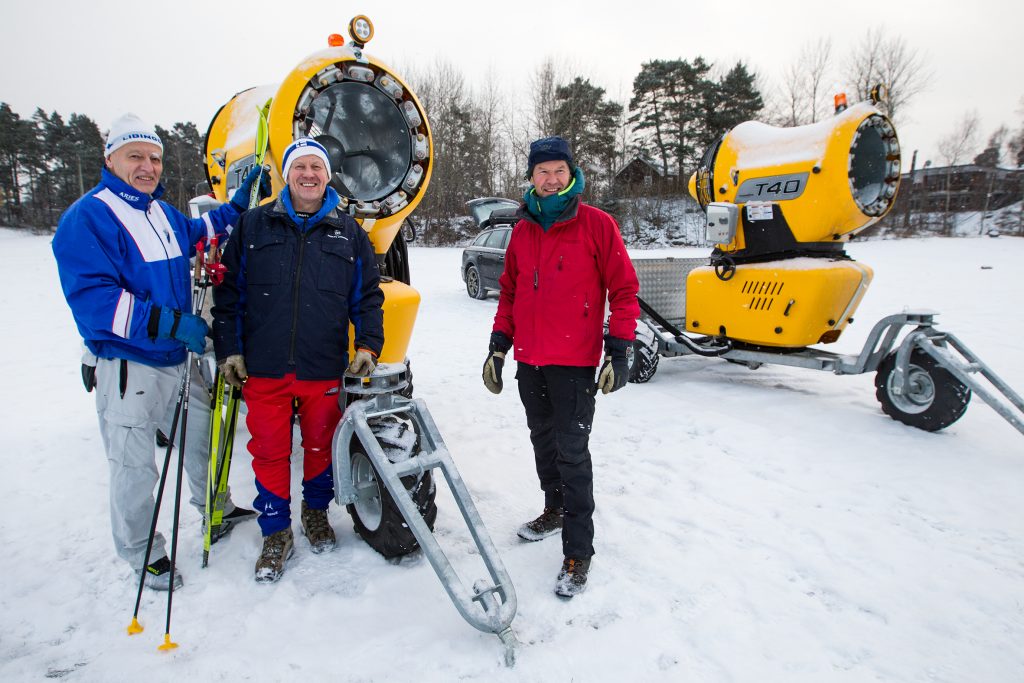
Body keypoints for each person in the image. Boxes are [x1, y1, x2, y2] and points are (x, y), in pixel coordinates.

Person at [53, 113, 263, 591]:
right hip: (131, 365)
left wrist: (234, 205)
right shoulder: (89, 217)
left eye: (154, 157)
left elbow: (198, 232)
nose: (147, 166)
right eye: (135, 156)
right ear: (111, 158)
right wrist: (170, 322)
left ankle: (215, 508)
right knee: (134, 466)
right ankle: (143, 553)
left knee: (202, 440)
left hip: (179, 359)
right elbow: (94, 301)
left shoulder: (159, 211)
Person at [211, 138, 385, 583]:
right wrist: (229, 348)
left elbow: (367, 298)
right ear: (287, 174)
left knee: (319, 448)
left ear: (328, 175)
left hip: (322, 365)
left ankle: (315, 512)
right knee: (269, 452)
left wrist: (367, 346)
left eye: (317, 167)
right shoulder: (253, 225)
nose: (309, 174)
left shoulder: (349, 234)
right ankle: (274, 531)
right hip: (264, 366)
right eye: (300, 167)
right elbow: (229, 296)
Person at [482, 136, 640, 598]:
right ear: (530, 177)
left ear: (572, 174)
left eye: (558, 171)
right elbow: (510, 292)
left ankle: (579, 551)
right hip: (530, 360)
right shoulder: (523, 230)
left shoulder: (597, 225)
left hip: (574, 362)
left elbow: (625, 291)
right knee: (543, 442)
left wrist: (620, 347)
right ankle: (554, 509)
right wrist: (498, 344)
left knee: (573, 453)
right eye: (542, 172)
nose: (551, 181)